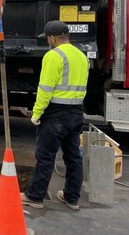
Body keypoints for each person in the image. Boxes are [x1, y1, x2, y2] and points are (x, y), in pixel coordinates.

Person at [21, 21, 89, 210]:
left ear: (52, 38)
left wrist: (36, 113)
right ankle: (72, 198)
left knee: (45, 156)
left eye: (48, 39)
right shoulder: (81, 55)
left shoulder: (54, 55)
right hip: (76, 112)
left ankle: (34, 197)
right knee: (74, 156)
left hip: (56, 114)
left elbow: (45, 89)